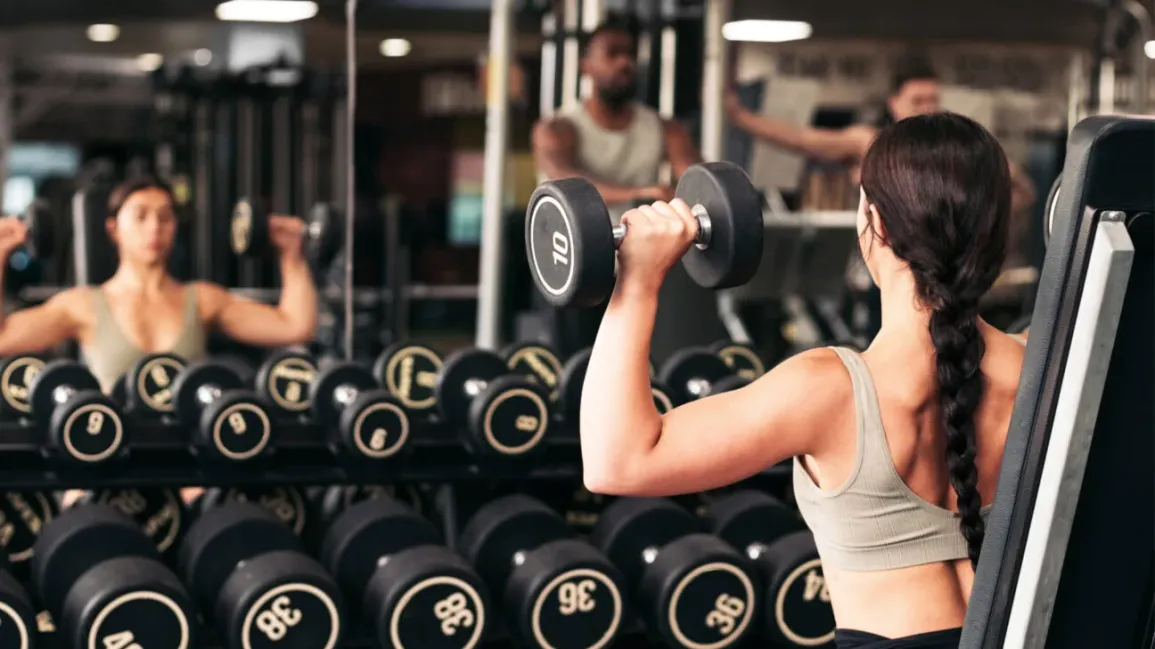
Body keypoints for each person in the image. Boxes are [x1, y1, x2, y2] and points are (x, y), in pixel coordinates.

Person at [579, 113, 1025, 649]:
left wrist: (637, 281)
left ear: (874, 222)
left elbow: (616, 462)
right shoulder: (1045, 367)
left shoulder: (828, 389)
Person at [0, 175, 318, 392]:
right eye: (140, 216)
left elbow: (294, 327)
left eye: (165, 217)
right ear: (114, 229)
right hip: (111, 457)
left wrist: (292, 256)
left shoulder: (203, 300)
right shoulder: (83, 305)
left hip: (187, 464)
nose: (154, 228)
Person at [725, 57, 1037, 214]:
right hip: (880, 271)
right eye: (917, 101)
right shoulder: (872, 143)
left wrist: (1002, 169)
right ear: (894, 103)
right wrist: (742, 118)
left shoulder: (951, 152)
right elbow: (803, 140)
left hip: (938, 268)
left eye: (933, 100)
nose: (927, 109)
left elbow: (1024, 195)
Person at [532, 15, 702, 220]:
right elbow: (565, 181)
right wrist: (640, 194)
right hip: (577, 247)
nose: (625, 62)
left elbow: (697, 179)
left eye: (630, 54)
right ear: (585, 66)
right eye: (612, 54)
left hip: (640, 246)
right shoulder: (557, 129)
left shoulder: (665, 128)